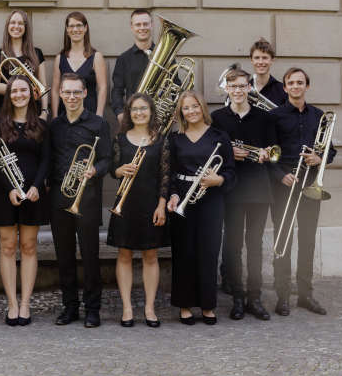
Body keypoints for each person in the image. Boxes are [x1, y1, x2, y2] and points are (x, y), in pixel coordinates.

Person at [269, 67, 336, 316]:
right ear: (285, 88)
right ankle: (283, 296)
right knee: (282, 242)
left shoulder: (320, 117)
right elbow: (269, 153)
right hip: (285, 186)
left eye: (300, 82)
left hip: (310, 186)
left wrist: (320, 158)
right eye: (291, 83)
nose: (296, 86)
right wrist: (280, 175)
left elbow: (331, 150)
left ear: (307, 86)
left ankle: (306, 295)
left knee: (307, 241)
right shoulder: (274, 116)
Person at [166, 91, 236, 325]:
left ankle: (207, 305)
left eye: (195, 106)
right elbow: (170, 173)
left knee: (208, 251)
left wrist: (219, 180)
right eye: (186, 108)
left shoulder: (219, 136)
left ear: (202, 107)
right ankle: (184, 305)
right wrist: (173, 194)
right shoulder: (175, 139)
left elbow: (230, 171)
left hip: (211, 199)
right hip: (183, 198)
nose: (191, 111)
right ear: (180, 112)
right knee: (183, 252)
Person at [0, 76, 50, 326]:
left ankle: (26, 304)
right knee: (8, 247)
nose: (19, 94)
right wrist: (10, 188)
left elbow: (46, 160)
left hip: (33, 192)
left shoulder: (42, 126)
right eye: (14, 91)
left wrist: (36, 187)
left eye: (24, 90)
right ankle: (12, 303)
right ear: (8, 95)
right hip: (5, 192)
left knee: (30, 247)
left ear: (32, 94)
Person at [212, 68, 276, 321]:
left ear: (250, 88)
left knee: (255, 246)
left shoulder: (265, 117)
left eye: (242, 86)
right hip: (231, 189)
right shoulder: (218, 118)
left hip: (259, 188)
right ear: (227, 89)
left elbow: (273, 151)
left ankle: (255, 298)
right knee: (232, 245)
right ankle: (237, 298)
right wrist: (230, 152)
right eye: (232, 86)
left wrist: (266, 153)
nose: (237, 91)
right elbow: (213, 153)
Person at [49, 73, 111, 328]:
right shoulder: (54, 126)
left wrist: (95, 170)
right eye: (67, 92)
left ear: (85, 93)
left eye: (77, 92)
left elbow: (108, 158)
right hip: (59, 197)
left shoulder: (98, 124)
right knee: (63, 255)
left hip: (87, 197)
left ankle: (93, 309)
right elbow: (49, 159)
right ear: (60, 94)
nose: (72, 97)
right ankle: (70, 306)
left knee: (90, 255)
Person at [106, 93, 169, 328]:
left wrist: (162, 205)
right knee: (124, 254)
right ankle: (127, 308)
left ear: (151, 112)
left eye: (143, 108)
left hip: (151, 205)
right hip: (126, 203)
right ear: (129, 113)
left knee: (150, 256)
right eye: (134, 109)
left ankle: (150, 308)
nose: (139, 113)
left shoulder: (160, 139)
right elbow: (112, 169)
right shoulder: (120, 139)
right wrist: (120, 170)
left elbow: (165, 176)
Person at [0, 10, 48, 118]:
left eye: (20, 23)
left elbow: (43, 87)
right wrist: (25, 90)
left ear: (26, 28)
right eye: (12, 23)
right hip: (6, 113)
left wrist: (44, 112)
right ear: (8, 26)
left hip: (33, 112)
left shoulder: (37, 53)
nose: (16, 26)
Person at [51, 12, 107, 118]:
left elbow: (102, 87)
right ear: (67, 30)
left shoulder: (96, 57)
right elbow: (55, 90)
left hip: (90, 114)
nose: (75, 29)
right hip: (65, 116)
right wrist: (54, 116)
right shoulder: (60, 58)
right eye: (71, 26)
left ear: (85, 28)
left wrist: (99, 115)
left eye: (79, 25)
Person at [110, 9, 154, 123]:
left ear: (152, 25)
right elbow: (117, 90)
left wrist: (176, 109)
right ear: (132, 27)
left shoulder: (166, 55)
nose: (142, 27)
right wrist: (120, 112)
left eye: (145, 24)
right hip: (133, 117)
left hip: (157, 117)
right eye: (138, 24)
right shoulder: (124, 59)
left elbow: (176, 85)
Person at [249, 38, 287, 107]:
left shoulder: (282, 90)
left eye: (265, 58)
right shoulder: (243, 88)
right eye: (257, 58)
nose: (260, 62)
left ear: (272, 60)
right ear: (251, 60)